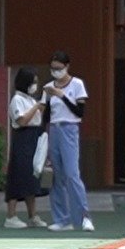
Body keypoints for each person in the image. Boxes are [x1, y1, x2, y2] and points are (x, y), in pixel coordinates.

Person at [43, 50, 93, 232]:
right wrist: (44, 135)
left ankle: (84, 216)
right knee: (56, 176)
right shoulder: (48, 87)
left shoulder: (77, 84)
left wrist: (61, 95)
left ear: (67, 67)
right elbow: (47, 115)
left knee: (72, 174)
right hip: (54, 129)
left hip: (70, 128)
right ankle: (61, 219)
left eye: (59, 68)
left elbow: (79, 112)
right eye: (53, 68)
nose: (56, 71)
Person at [4, 67, 46, 230]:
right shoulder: (17, 100)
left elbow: (37, 117)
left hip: (33, 137)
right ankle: (11, 216)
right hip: (22, 137)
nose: (35, 85)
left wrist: (43, 101)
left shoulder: (30, 99)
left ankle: (33, 215)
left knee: (31, 177)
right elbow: (22, 120)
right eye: (33, 82)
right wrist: (35, 108)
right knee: (18, 175)